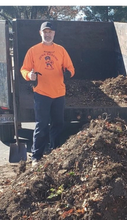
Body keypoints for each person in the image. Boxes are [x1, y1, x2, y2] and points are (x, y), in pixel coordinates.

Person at [20, 21, 75, 166]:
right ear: (40, 33)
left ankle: (55, 152)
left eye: (50, 32)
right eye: (45, 32)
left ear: (54, 33)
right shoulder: (33, 50)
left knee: (58, 123)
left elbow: (71, 68)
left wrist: (68, 73)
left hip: (58, 93)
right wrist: (29, 76)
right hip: (41, 93)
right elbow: (24, 69)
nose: (48, 34)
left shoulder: (61, 50)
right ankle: (36, 157)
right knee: (41, 125)